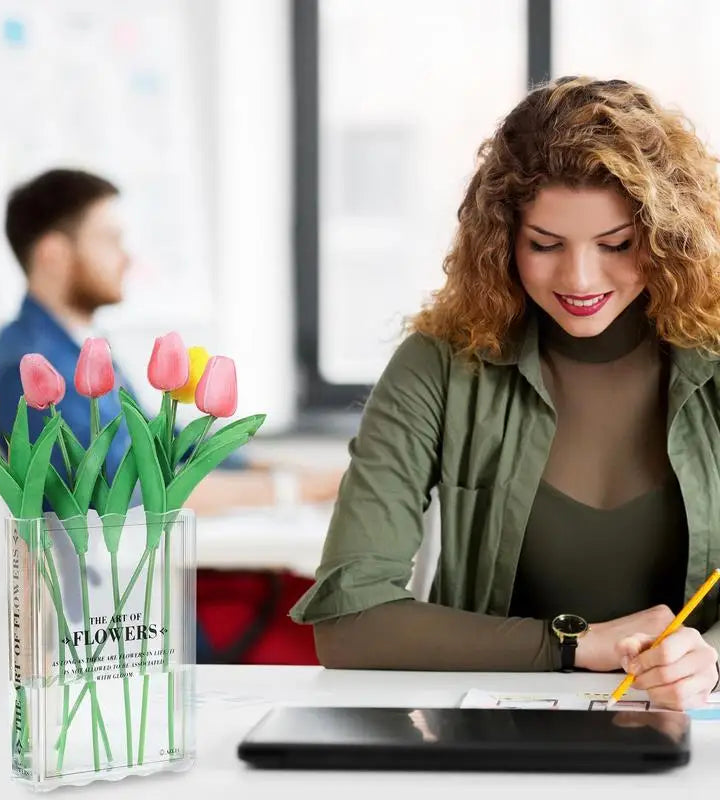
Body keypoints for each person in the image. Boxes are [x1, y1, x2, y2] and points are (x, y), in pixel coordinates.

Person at [290, 77, 720, 710]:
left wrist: (710, 660)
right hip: (486, 739)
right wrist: (572, 645)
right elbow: (350, 619)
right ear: (503, 238)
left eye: (617, 245)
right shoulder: (435, 366)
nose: (579, 278)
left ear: (666, 237)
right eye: (545, 245)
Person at [0, 168, 341, 663]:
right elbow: (134, 492)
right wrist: (294, 491)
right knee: (320, 615)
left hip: (155, 588)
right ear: (53, 253)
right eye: (110, 240)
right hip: (124, 618)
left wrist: (276, 469)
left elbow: (162, 443)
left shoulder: (78, 346)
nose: (127, 258)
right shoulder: (29, 368)